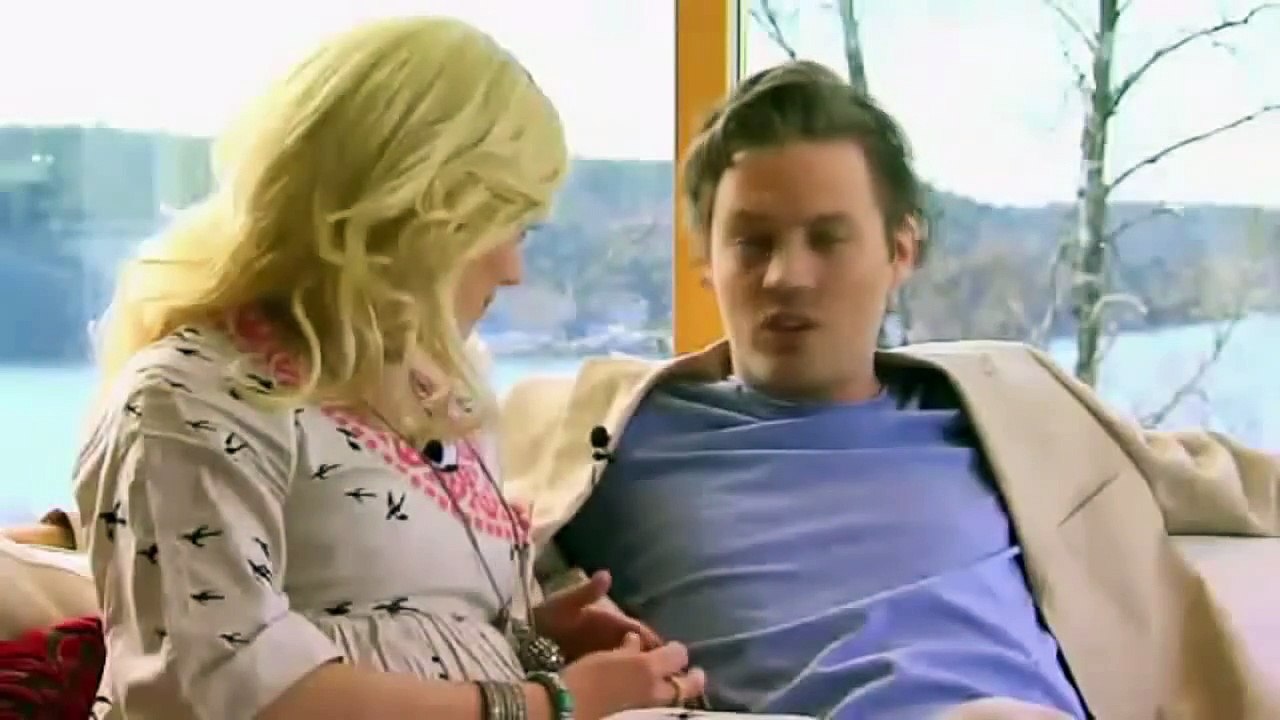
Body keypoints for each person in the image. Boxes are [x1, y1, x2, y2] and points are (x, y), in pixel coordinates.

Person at [499, 60, 1280, 719]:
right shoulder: (607, 433)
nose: (787, 275)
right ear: (707, 259)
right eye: (753, 242)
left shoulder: (1003, 407)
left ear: (901, 250)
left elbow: (1213, 478)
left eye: (828, 239)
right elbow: (450, 573)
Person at [71, 16, 708, 720]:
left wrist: (534, 644)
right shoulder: (190, 399)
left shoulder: (442, 398)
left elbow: (398, 627)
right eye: (506, 228)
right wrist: (552, 703)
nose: (514, 269)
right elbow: (226, 689)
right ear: (408, 217)